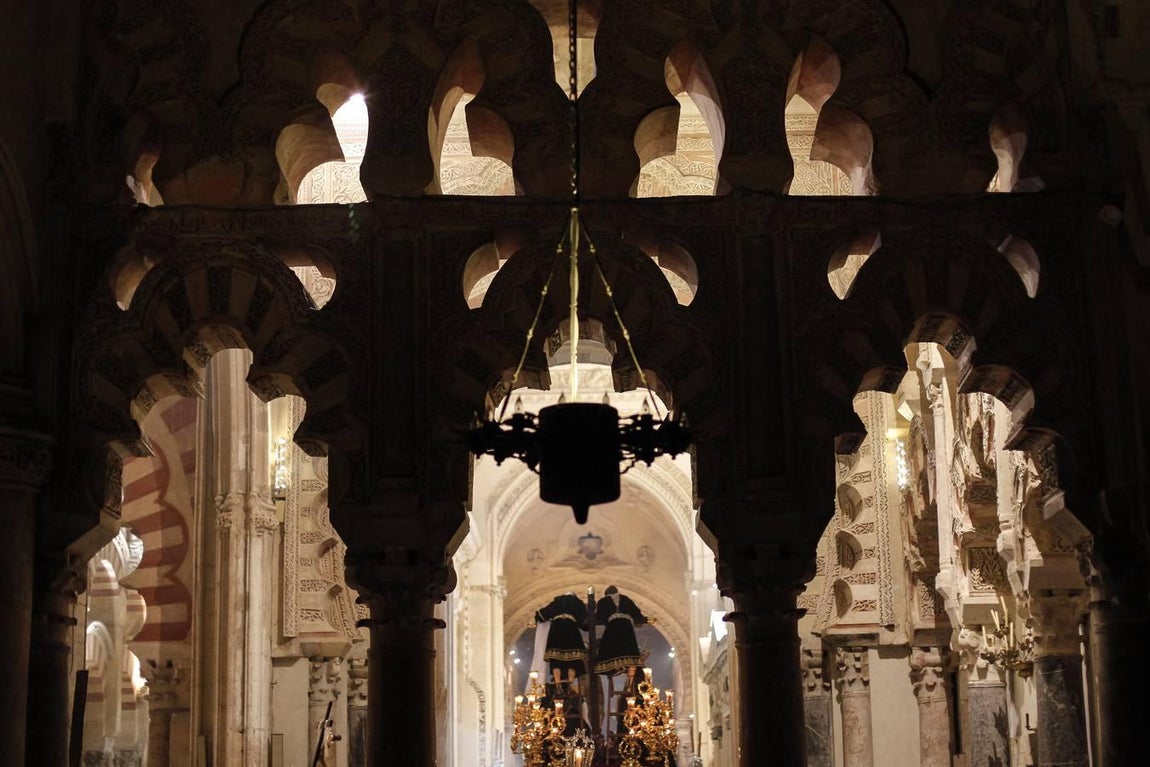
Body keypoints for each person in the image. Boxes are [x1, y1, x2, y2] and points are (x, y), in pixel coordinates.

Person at [593, 585, 647, 682]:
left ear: (606, 594)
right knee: (629, 652)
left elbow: (599, 616)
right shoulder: (626, 599)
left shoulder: (603, 601)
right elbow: (637, 613)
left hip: (613, 627)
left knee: (612, 650)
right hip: (627, 627)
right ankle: (628, 676)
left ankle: (617, 668)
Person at [534, 591, 589, 686]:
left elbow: (541, 615)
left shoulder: (556, 602)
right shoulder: (577, 603)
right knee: (573, 659)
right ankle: (570, 683)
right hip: (570, 629)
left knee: (555, 660)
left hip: (556, 629)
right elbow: (585, 622)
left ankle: (558, 684)